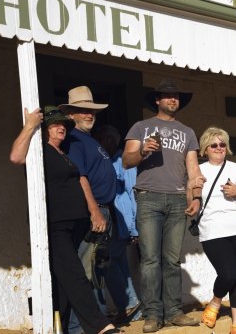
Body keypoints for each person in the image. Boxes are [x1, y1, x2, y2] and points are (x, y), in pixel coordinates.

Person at [10, 106, 119, 334]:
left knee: (63, 279)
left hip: (75, 222)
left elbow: (81, 181)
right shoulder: (39, 150)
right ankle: (99, 326)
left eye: (64, 125)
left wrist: (92, 211)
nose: (61, 128)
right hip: (55, 222)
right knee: (74, 273)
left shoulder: (63, 153)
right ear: (45, 129)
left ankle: (59, 327)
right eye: (55, 124)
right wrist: (30, 125)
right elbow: (16, 157)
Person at [122, 79, 202, 333]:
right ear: (157, 100)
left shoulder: (187, 132)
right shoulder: (141, 127)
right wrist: (144, 151)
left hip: (178, 199)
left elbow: (193, 168)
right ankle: (153, 315)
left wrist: (196, 196)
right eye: (167, 96)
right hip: (149, 197)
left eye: (176, 96)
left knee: (171, 260)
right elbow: (126, 161)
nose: (172, 100)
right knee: (149, 260)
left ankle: (174, 312)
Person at [59, 86, 135, 326]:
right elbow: (80, 177)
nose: (89, 115)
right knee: (87, 271)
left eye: (91, 111)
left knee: (98, 270)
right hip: (93, 212)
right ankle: (83, 326)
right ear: (71, 114)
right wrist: (94, 210)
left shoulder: (89, 140)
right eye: (82, 111)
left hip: (104, 210)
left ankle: (96, 322)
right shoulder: (74, 140)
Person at [196, 127, 236, 334]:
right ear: (205, 148)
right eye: (214, 145)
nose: (219, 148)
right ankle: (215, 302)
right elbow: (191, 199)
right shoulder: (198, 171)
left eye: (222, 144)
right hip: (212, 230)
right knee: (228, 273)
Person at [93, 125, 141, 324]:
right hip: (112, 220)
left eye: (106, 139)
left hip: (120, 220)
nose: (102, 143)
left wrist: (133, 226)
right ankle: (132, 307)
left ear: (113, 141)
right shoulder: (106, 160)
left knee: (107, 263)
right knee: (120, 264)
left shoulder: (123, 161)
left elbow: (131, 193)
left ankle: (128, 303)